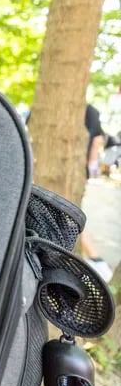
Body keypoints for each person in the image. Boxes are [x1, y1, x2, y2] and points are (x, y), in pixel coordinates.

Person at [81, 103, 113, 281]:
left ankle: (95, 258)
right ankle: (94, 258)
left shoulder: (90, 110)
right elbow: (97, 140)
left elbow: (96, 141)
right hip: (79, 168)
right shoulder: (92, 110)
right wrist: (90, 166)